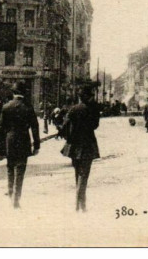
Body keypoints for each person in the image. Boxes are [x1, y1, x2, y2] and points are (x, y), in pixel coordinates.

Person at [0, 82, 41, 209]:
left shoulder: (6, 107)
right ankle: (16, 198)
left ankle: (10, 194)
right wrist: (36, 145)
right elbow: (35, 127)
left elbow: (0, 127)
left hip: (9, 141)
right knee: (20, 170)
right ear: (23, 93)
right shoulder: (28, 107)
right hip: (23, 140)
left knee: (10, 168)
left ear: (13, 93)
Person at [60, 82, 101, 212]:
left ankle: (80, 203)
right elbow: (95, 125)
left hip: (74, 145)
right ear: (89, 96)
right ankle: (79, 204)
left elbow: (64, 127)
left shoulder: (73, 109)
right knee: (84, 175)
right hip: (87, 144)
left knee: (77, 173)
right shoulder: (93, 109)